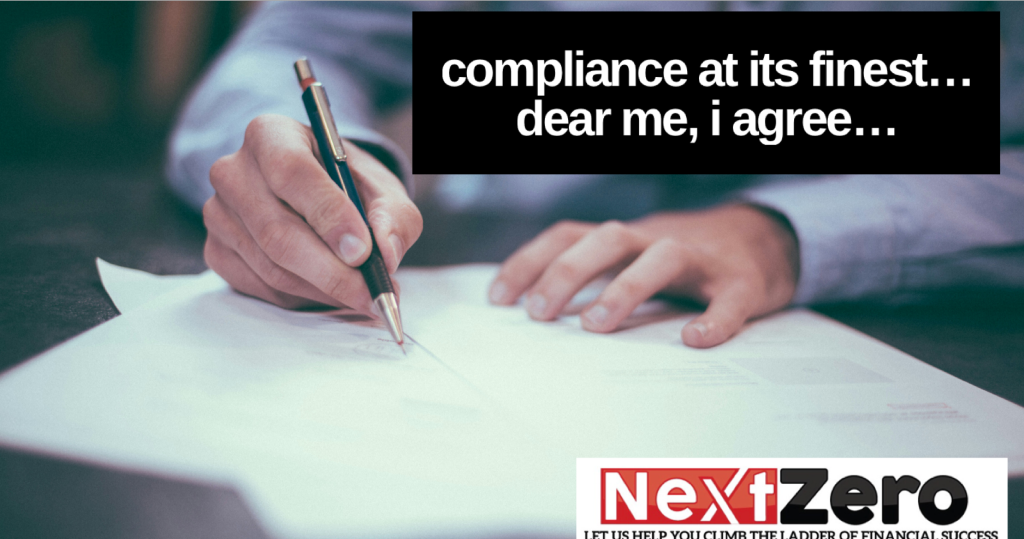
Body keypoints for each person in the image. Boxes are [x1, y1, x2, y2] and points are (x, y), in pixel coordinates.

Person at [166, 1, 1024, 349]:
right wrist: (321, 169)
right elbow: (295, 48)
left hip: (912, 315)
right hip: (506, 261)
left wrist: (782, 233)